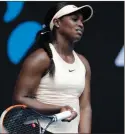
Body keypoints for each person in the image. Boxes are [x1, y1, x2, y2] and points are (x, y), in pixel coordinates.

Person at [13, 2, 93, 133]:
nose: (81, 24)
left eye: (82, 21)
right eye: (74, 19)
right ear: (57, 22)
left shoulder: (83, 63)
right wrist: (57, 108)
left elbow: (85, 107)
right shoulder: (40, 58)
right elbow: (20, 98)